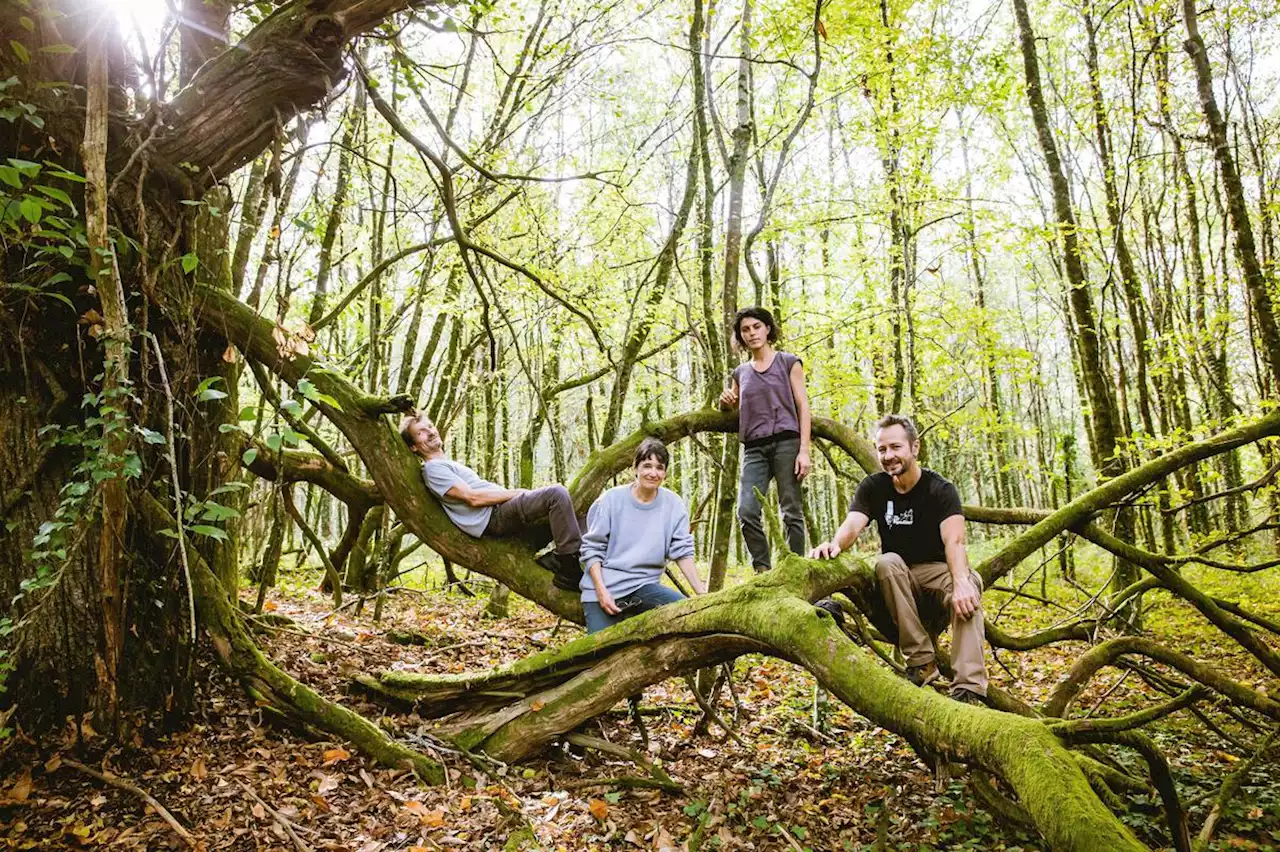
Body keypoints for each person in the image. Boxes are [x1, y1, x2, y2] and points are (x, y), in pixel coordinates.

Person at [809, 414, 989, 704]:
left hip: (938, 573)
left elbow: (954, 540)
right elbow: (853, 525)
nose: (888, 456)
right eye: (882, 450)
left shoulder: (940, 489)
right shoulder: (874, 487)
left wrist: (961, 582)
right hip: (899, 580)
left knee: (969, 585)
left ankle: (968, 688)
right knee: (886, 561)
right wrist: (833, 545)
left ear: (914, 448)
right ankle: (921, 663)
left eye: (895, 447)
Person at [400, 411, 582, 591]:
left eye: (430, 426)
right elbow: (473, 498)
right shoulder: (433, 470)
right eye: (421, 432)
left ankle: (555, 559)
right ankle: (568, 570)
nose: (431, 432)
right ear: (413, 447)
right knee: (556, 494)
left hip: (499, 510)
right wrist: (517, 493)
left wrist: (410, 410)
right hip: (493, 516)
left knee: (584, 512)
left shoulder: (445, 464)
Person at [717, 306, 812, 573]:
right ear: (741, 336)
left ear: (768, 329)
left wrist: (804, 450)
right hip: (754, 449)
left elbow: (804, 406)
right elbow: (732, 408)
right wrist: (725, 403)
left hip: (787, 442)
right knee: (746, 511)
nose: (751, 333)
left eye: (756, 327)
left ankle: (795, 570)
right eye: (745, 330)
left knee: (790, 510)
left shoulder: (788, 362)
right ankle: (763, 571)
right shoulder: (740, 373)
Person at [580, 438, 707, 633]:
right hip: (606, 587)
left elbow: (682, 552)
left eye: (659, 467)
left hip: (644, 587)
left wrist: (702, 595)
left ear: (665, 473)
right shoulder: (611, 500)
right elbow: (591, 549)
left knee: (689, 621)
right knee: (600, 653)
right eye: (647, 466)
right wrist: (601, 592)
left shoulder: (673, 505)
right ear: (635, 468)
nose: (653, 473)